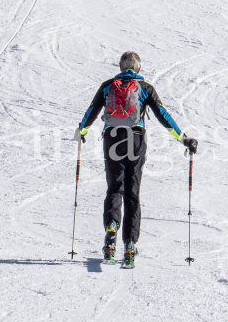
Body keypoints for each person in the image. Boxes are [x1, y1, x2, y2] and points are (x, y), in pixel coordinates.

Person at [75, 51, 198, 267]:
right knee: (132, 191)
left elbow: (92, 111)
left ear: (121, 67)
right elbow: (163, 114)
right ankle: (130, 243)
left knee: (114, 188)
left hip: (112, 137)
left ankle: (112, 229)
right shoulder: (145, 88)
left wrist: (81, 132)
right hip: (136, 138)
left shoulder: (107, 86)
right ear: (138, 69)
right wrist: (183, 138)